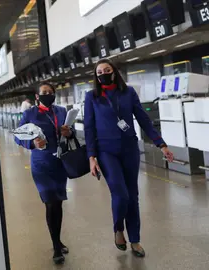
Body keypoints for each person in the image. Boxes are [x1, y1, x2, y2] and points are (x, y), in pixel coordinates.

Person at [84, 59, 174, 258]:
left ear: (114, 72)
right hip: (106, 151)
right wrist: (91, 157)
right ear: (96, 76)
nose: (104, 74)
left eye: (107, 70)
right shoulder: (92, 97)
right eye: (100, 72)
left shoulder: (128, 92)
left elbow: (143, 119)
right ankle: (118, 229)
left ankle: (135, 239)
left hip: (129, 149)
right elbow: (89, 128)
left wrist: (161, 144)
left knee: (132, 196)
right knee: (120, 193)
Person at [15, 82, 73, 265]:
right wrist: (32, 144)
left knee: (58, 203)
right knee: (50, 203)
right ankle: (56, 247)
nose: (48, 94)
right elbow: (18, 135)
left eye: (51, 92)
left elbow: (69, 133)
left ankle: (58, 239)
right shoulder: (30, 114)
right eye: (44, 93)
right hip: (42, 164)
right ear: (37, 97)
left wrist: (69, 132)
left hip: (59, 162)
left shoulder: (61, 111)